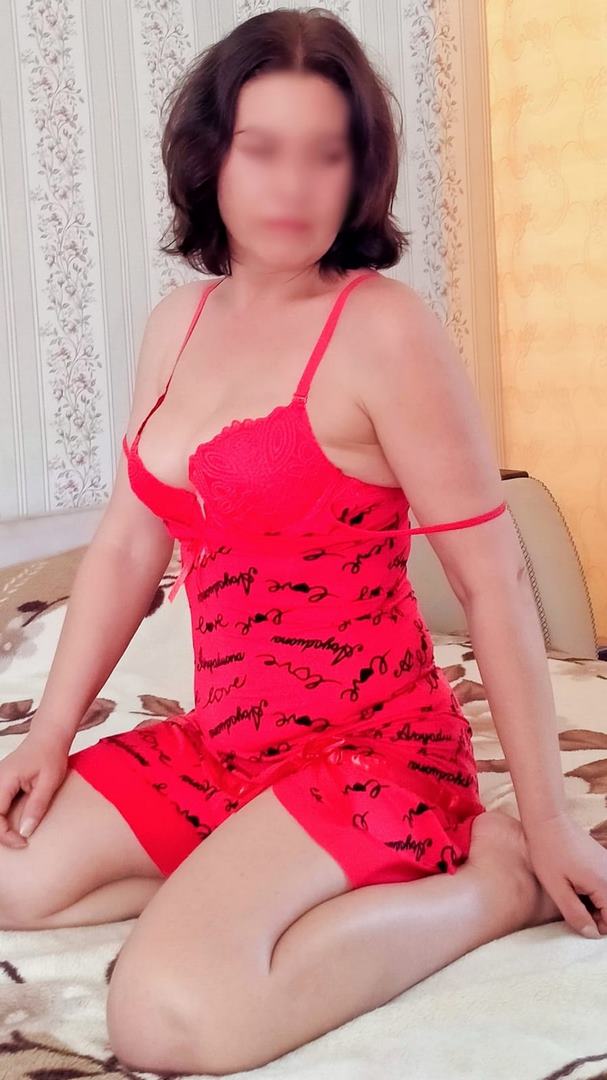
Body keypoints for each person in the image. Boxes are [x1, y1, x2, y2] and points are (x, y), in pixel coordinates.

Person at [1, 8, 602, 1077]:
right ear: (211, 159)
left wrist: (549, 821)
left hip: (372, 754)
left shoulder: (384, 329)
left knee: (166, 1020)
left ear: (360, 171)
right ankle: (248, 869)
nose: (294, 186)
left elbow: (496, 582)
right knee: (13, 874)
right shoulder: (178, 323)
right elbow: (131, 546)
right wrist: (47, 735)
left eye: (327, 154)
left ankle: (493, 880)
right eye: (263, 148)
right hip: (222, 744)